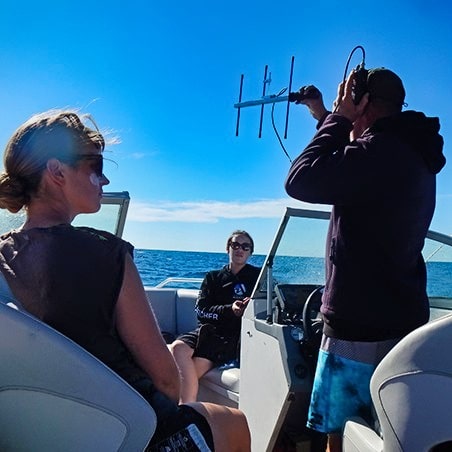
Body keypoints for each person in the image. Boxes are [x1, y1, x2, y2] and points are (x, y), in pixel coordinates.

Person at [0, 110, 251, 452]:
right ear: (57, 171)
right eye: (96, 167)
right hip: (124, 430)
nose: (104, 181)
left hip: (42, 433)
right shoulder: (108, 254)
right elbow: (166, 380)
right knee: (235, 422)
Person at [285, 68, 446, 451]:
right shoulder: (411, 150)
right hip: (402, 318)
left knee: (338, 433)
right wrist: (324, 114)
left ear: (364, 105)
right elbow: (355, 161)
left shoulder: (377, 152)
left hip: (357, 326)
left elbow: (301, 179)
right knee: (384, 430)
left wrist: (338, 119)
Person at [169, 231, 260, 403]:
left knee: (188, 375)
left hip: (231, 337)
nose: (240, 249)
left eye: (245, 247)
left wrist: (252, 305)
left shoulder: (258, 278)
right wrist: (229, 310)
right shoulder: (213, 277)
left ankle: (185, 412)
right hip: (207, 330)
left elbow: (271, 303)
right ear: (228, 248)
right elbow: (201, 309)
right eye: (235, 245)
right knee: (177, 347)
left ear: (250, 252)